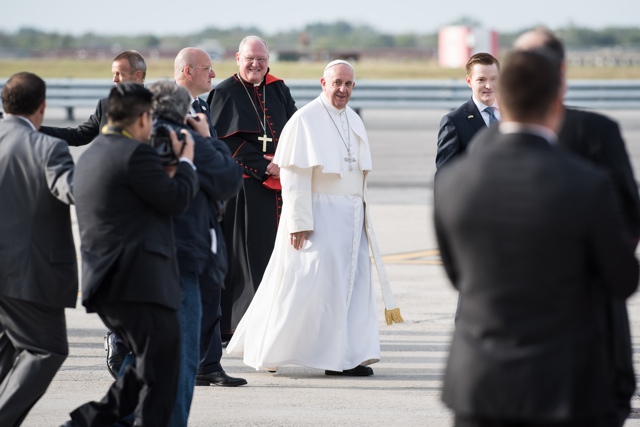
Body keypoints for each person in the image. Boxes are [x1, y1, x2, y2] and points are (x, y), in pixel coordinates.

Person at [434, 49, 639, 426]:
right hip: (564, 381)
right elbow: (623, 278)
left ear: (504, 96)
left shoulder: (453, 184)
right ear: (555, 103)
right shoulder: (589, 185)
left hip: (480, 381)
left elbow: (456, 273)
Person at [226, 60, 402, 377]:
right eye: (337, 83)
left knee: (354, 285)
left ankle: (346, 357)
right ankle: (272, 350)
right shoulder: (305, 120)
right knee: (305, 286)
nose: (343, 90)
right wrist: (299, 221)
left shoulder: (354, 120)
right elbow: (295, 175)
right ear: (323, 83)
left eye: (348, 84)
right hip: (319, 216)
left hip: (351, 217)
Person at [61, 83, 198, 427]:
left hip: (109, 283)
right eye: (150, 118)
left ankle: (82, 424)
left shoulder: (94, 153)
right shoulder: (134, 154)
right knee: (161, 377)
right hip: (139, 284)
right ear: (140, 118)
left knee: (142, 369)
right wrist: (186, 163)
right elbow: (176, 200)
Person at [146, 80, 244, 426]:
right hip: (186, 256)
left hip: (141, 257)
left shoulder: (134, 139)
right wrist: (206, 140)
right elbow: (230, 179)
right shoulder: (185, 139)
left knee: (146, 353)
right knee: (182, 353)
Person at [207, 35, 297, 342]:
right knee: (244, 257)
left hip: (279, 186)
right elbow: (224, 139)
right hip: (244, 189)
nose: (256, 65)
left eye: (261, 59)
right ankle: (237, 325)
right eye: (250, 59)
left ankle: (271, 321)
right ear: (237, 58)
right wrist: (263, 166)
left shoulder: (278, 87)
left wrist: (283, 160)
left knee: (274, 256)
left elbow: (294, 127)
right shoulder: (224, 92)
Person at [0, 72, 76, 426]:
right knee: (48, 350)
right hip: (27, 274)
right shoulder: (48, 148)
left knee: (8, 353)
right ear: (43, 107)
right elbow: (73, 191)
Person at [174, 47, 248, 388]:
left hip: (207, 215)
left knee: (211, 291)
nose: (213, 75)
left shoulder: (201, 106)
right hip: (185, 218)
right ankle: (193, 364)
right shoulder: (171, 111)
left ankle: (208, 364)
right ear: (188, 72)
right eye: (206, 69)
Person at [40, 50, 146, 146]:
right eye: (113, 74)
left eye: (119, 74)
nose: (115, 79)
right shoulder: (105, 105)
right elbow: (79, 136)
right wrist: (36, 130)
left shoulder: (155, 104)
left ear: (138, 76)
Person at [435, 52, 500, 169]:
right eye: (481, 80)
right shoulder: (454, 121)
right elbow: (444, 175)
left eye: (494, 79)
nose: (489, 86)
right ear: (469, 81)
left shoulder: (515, 115)